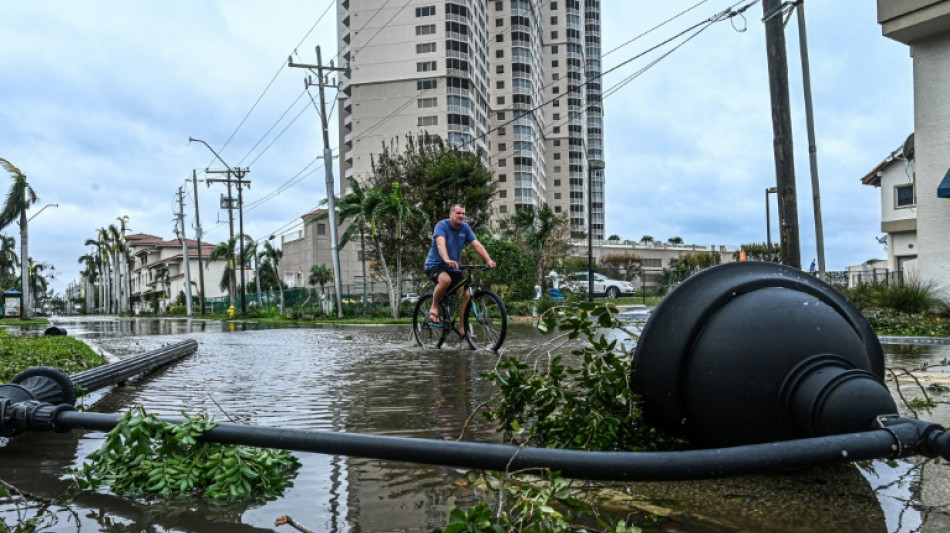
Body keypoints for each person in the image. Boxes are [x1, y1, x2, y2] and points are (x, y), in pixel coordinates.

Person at [425, 204, 496, 336]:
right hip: (435, 265)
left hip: (453, 267)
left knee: (466, 295)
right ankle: (434, 307)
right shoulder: (442, 225)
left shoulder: (465, 228)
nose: (462, 216)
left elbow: (477, 244)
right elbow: (440, 243)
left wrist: (489, 260)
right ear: (451, 214)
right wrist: (446, 259)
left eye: (463, 214)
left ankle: (463, 330)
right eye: (458, 213)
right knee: (445, 280)